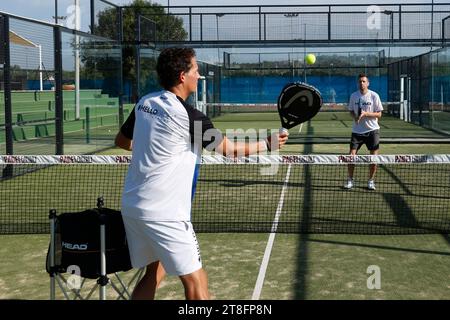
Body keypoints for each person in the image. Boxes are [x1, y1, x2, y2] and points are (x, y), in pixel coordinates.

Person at [114, 47, 288, 300]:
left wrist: (153, 146)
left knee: (154, 272)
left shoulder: (145, 103)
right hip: (166, 214)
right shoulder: (190, 117)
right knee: (196, 283)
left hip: (132, 208)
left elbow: (122, 140)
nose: (199, 75)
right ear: (183, 76)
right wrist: (268, 144)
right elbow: (230, 151)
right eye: (196, 70)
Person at [344, 73, 383, 190]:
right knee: (351, 156)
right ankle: (350, 179)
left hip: (372, 131)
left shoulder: (374, 96)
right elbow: (351, 110)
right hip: (357, 132)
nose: (361, 83)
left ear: (368, 83)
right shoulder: (353, 96)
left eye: (364, 81)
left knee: (373, 158)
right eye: (360, 81)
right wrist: (355, 116)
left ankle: (371, 180)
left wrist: (366, 114)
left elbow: (379, 114)